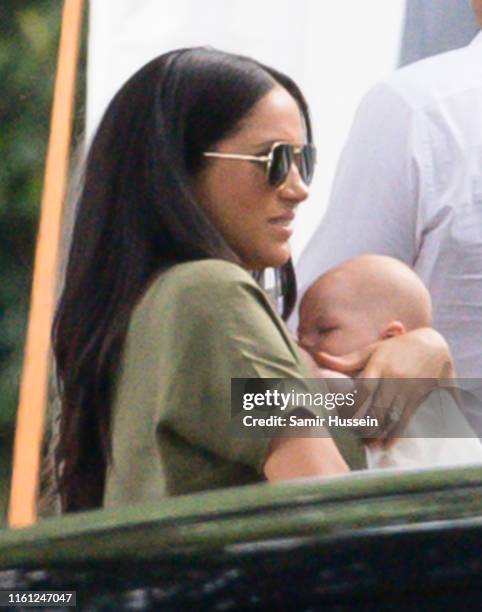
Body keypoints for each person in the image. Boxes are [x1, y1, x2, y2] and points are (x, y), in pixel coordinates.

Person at [51, 48, 454, 514]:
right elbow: (327, 497)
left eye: (305, 161)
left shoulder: (155, 305)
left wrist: (428, 350)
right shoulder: (209, 296)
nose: (299, 187)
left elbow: (267, 418)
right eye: (274, 160)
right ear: (178, 165)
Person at [294, 2, 482, 433]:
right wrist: (425, 354)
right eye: (273, 160)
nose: (293, 186)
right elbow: (286, 381)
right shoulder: (423, 111)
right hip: (439, 485)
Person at [297, 254, 482, 469]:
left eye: (325, 330)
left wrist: (303, 367)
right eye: (300, 335)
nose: (306, 344)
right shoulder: (436, 388)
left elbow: (320, 387)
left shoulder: (383, 386)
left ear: (391, 338)